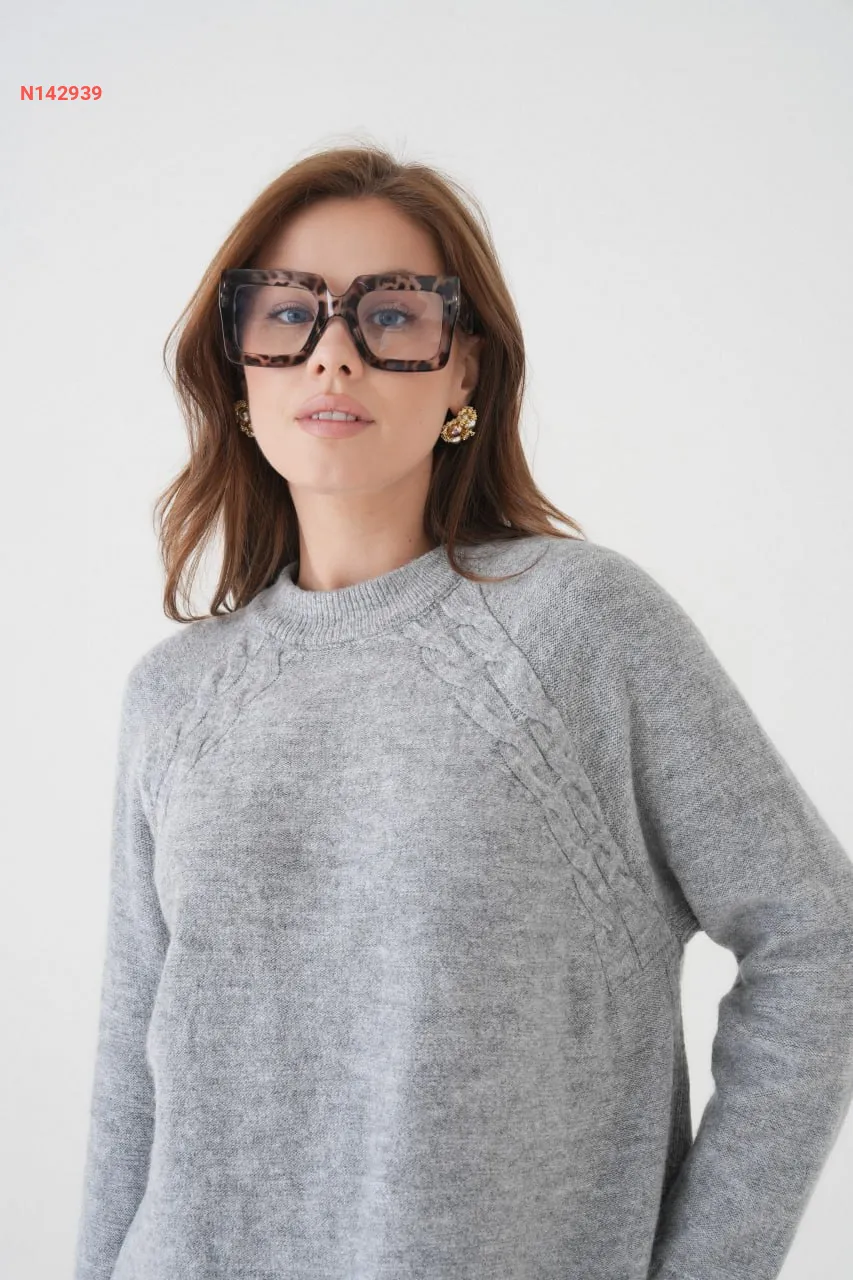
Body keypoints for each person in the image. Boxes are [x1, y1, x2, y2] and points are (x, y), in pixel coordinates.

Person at [73, 143, 853, 1280]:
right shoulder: (174, 695)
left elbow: (817, 937)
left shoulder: (577, 626)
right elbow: (129, 1092)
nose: (333, 352)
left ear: (463, 373)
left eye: (391, 315)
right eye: (286, 313)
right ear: (237, 369)